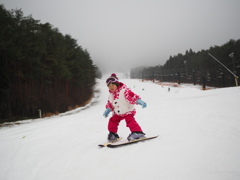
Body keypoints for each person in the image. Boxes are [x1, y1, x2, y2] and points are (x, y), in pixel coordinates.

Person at [103, 73, 147, 142]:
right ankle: (112, 134)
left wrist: (139, 101)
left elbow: (132, 96)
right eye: (109, 86)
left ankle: (138, 133)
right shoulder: (111, 95)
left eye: (112, 85)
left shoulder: (124, 91)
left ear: (117, 84)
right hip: (118, 112)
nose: (111, 87)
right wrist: (108, 110)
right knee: (112, 120)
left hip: (127, 111)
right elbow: (110, 104)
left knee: (130, 121)